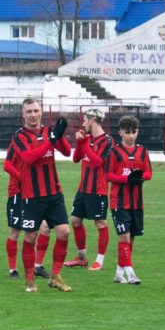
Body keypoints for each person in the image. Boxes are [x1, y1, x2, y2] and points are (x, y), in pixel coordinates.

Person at [10, 98, 73, 293]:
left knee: (64, 231)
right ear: (23, 115)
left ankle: (56, 276)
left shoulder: (48, 132)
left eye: (36, 110)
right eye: (28, 111)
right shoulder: (19, 137)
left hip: (54, 192)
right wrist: (51, 140)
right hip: (31, 195)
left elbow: (66, 151)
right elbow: (29, 158)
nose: (33, 115)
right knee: (30, 236)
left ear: (41, 112)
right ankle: (30, 280)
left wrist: (59, 136)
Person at [64, 109, 113, 271]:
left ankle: (99, 260)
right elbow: (76, 159)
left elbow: (98, 161)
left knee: (100, 223)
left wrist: (84, 143)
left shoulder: (107, 141)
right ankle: (81, 257)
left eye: (85, 120)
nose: (83, 124)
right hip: (83, 188)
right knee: (76, 221)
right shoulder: (88, 139)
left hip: (97, 189)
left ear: (92, 120)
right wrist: (80, 142)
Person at [107, 115, 152, 285]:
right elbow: (108, 175)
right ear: (120, 133)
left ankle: (119, 273)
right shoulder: (114, 152)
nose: (131, 136)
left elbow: (149, 172)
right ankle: (131, 273)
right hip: (118, 202)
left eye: (134, 132)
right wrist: (127, 179)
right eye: (127, 132)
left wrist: (140, 178)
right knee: (124, 237)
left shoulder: (143, 151)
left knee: (130, 238)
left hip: (136, 203)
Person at [3, 137, 51, 279]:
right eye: (29, 112)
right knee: (15, 232)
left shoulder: (40, 141)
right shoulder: (17, 141)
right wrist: (22, 178)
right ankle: (13, 270)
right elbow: (7, 165)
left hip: (36, 192)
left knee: (45, 228)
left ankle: (38, 266)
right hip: (18, 193)